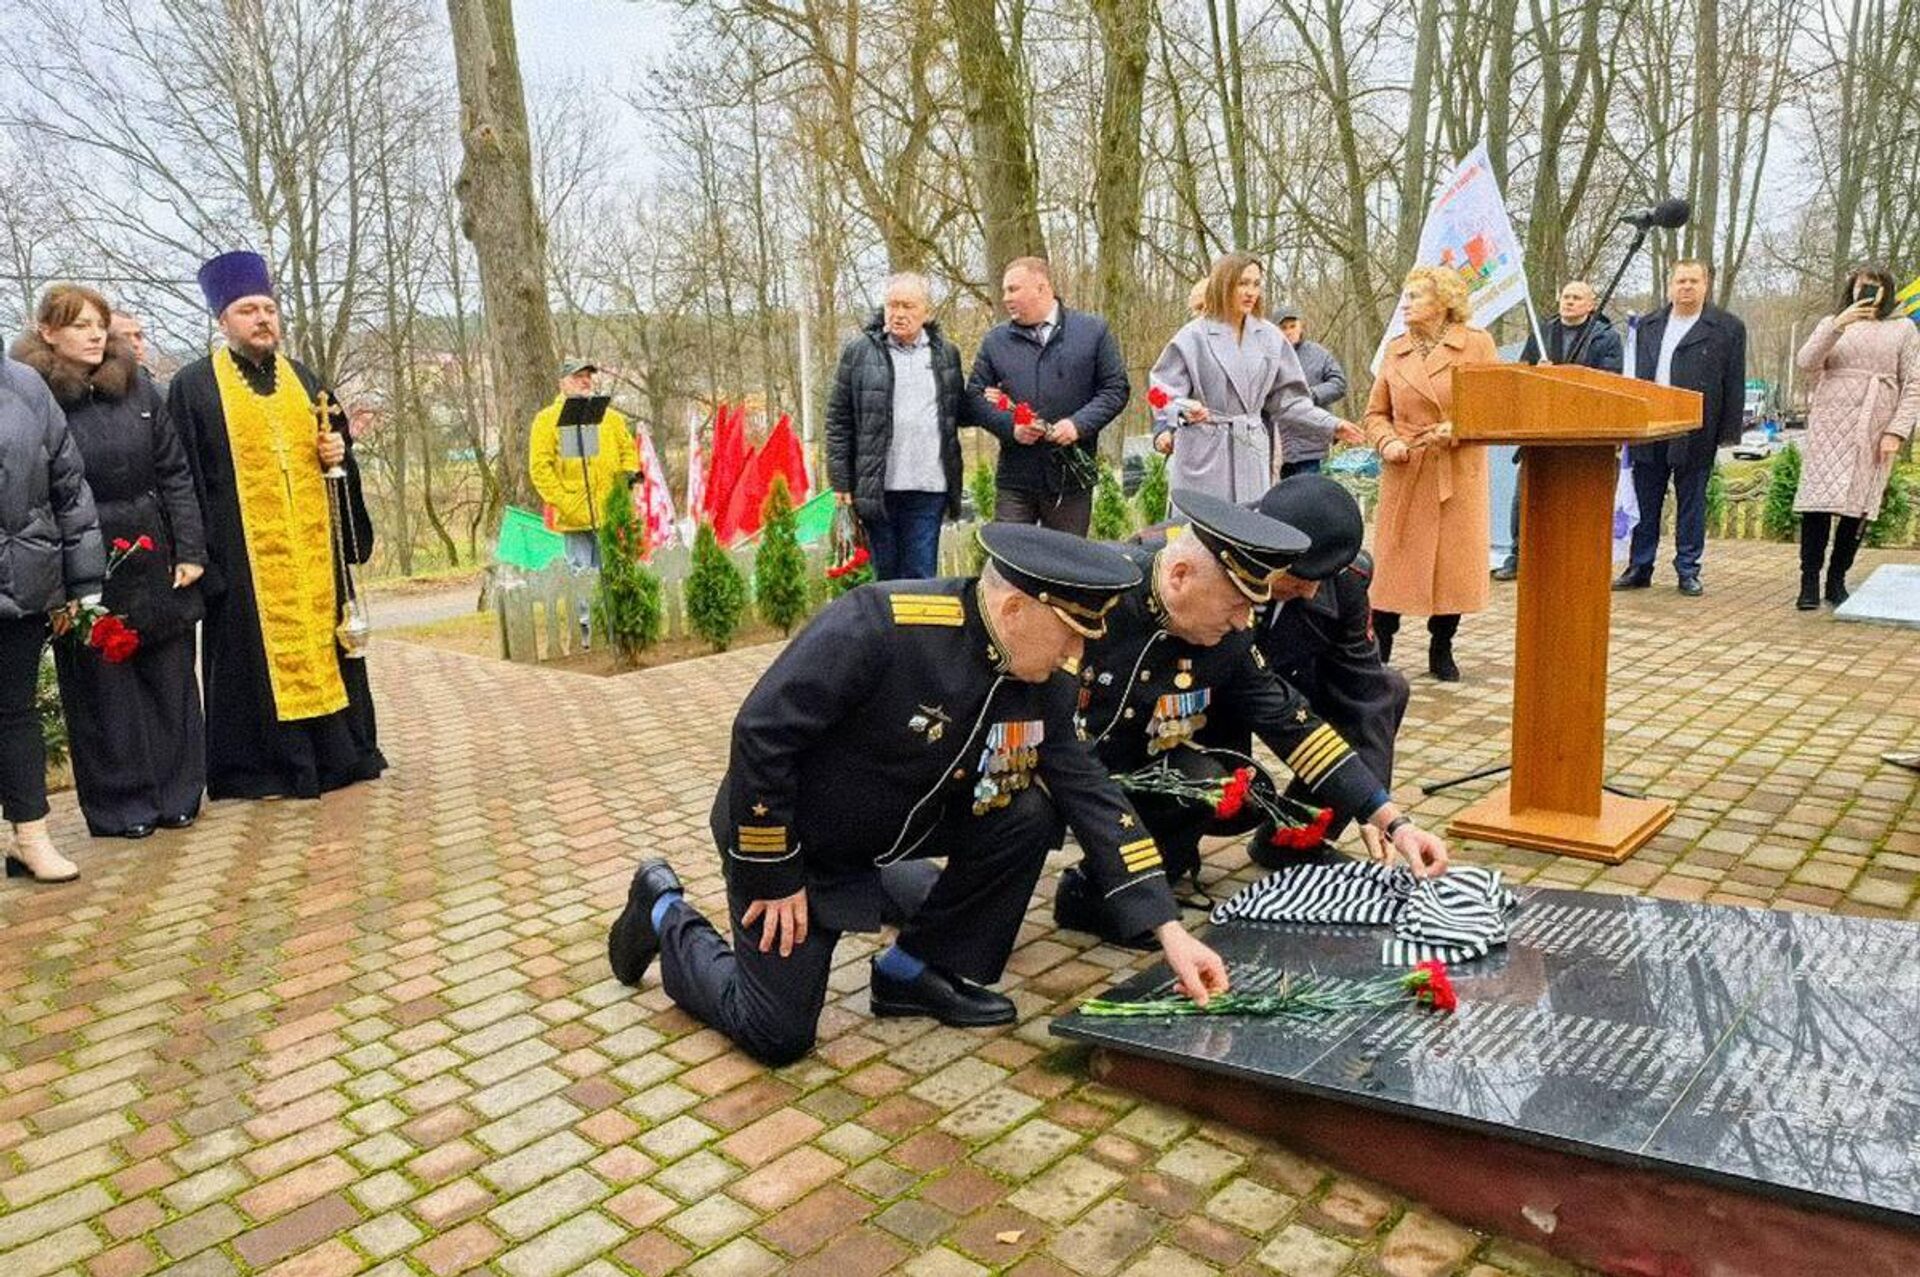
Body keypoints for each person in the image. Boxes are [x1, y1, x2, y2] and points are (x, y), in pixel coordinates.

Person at [606, 524, 1230, 1066]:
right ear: (1015, 610)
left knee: (1030, 811)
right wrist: (771, 871)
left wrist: (1167, 929)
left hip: (898, 827)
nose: (1079, 652)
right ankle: (662, 911)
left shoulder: (1043, 672)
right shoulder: (879, 625)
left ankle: (911, 971)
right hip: (802, 844)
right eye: (1070, 633)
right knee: (776, 1033)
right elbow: (762, 733)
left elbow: (1087, 788)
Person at [1053, 490, 1450, 948]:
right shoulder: (1105, 590)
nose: (1245, 623)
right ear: (1180, 576)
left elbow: (1295, 724)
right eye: (1237, 607)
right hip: (1059, 757)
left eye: (1250, 607)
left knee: (1204, 783)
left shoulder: (1233, 633)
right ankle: (1095, 888)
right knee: (1030, 812)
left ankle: (1126, 889)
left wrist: (1392, 821)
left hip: (1146, 746)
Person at [167, 250, 386, 800]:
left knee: (325, 646)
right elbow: (182, 477)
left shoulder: (304, 379)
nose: (263, 319)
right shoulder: (195, 387)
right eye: (248, 310)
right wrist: (198, 553)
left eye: (268, 308)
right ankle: (262, 770)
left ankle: (337, 756)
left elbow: (337, 448)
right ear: (223, 321)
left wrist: (337, 452)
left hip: (312, 554)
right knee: (250, 663)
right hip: (242, 557)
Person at [12, 286, 207, 839]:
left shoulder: (138, 385)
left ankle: (179, 793)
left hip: (152, 548)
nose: (96, 334)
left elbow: (175, 472)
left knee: (169, 678)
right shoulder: (32, 396)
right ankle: (123, 804)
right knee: (103, 691)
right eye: (80, 325)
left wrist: (190, 548)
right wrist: (56, 580)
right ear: (48, 332)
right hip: (80, 557)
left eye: (100, 323)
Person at [1248, 474, 1410, 838]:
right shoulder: (1203, 552)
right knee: (1221, 790)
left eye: (1319, 580)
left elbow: (1365, 690)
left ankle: (1292, 838)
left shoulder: (1348, 577)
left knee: (1390, 688)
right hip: (1207, 690)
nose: (1310, 593)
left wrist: (1374, 811)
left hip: (1283, 679)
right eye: (1298, 579)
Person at [1363, 266, 1498, 681]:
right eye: (1405, 296)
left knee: (1451, 568)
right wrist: (1387, 442)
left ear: (1443, 303)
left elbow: (1494, 409)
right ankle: (1381, 646)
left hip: (1455, 472)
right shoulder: (1396, 349)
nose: (1404, 304)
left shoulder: (1476, 344)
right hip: (1406, 470)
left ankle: (1442, 646)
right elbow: (1375, 414)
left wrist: (1457, 429)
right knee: (1394, 568)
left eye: (1415, 296)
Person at [0, 345, 103, 881]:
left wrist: (83, 579)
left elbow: (69, 485)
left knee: (14, 713)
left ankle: (30, 837)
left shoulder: (25, 386)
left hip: (21, 574)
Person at [1147, 256, 1359, 506]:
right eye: (1242, 283)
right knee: (1202, 526)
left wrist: (1331, 424)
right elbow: (1156, 394)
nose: (1251, 292)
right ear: (1223, 284)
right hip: (1203, 451)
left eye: (1256, 284)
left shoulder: (1270, 337)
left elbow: (1290, 401)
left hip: (1251, 450)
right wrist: (1183, 408)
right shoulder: (1192, 336)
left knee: (1249, 523)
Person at [826, 273, 974, 580]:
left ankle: (920, 616)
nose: (899, 313)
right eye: (892, 305)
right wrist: (841, 482)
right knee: (887, 578)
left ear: (926, 311)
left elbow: (959, 411)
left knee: (921, 577)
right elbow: (838, 420)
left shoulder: (946, 354)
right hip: (878, 488)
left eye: (908, 306)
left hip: (929, 487)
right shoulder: (859, 353)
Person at [968, 257, 1129, 535]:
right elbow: (974, 398)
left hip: (1070, 478)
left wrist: (1078, 425)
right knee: (1008, 557)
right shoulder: (995, 341)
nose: (1006, 298)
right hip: (1016, 479)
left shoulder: (1092, 331)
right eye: (1005, 290)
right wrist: (1011, 428)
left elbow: (1115, 389)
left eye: (1013, 289)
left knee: (1066, 559)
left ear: (1041, 288)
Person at [1615, 260, 1746, 597]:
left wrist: (1728, 431)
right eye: (1680, 281)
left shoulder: (1727, 327)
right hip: (1650, 426)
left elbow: (1734, 382)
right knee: (1646, 501)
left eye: (1693, 281)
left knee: (1691, 502)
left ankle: (1688, 568)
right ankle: (1640, 566)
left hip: (1696, 427)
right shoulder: (1648, 325)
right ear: (1670, 285)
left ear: (1706, 285)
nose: (1686, 287)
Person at [1791, 265, 1918, 609]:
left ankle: (1837, 579)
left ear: (1887, 291)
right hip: (1830, 425)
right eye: (1863, 286)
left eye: (1876, 287)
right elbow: (1806, 362)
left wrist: (1896, 431)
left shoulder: (1904, 328)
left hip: (1875, 426)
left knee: (1858, 508)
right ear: (1852, 288)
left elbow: (1913, 384)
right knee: (1816, 505)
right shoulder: (1834, 323)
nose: (1868, 292)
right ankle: (1808, 582)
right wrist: (1837, 325)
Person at [1497, 281, 1624, 580]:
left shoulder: (1605, 338)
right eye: (1566, 296)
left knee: (1579, 501)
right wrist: (1536, 374)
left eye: (1577, 297)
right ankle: (1519, 555)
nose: (1569, 302)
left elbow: (1608, 381)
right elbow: (1521, 376)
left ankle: (1579, 559)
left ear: (1591, 304)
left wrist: (1563, 377)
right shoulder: (1542, 332)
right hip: (1542, 429)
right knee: (1526, 495)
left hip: (1585, 433)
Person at [529, 358, 638, 639]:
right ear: (562, 382)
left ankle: (615, 626)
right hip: (575, 514)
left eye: (588, 375)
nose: (585, 380)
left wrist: (626, 480)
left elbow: (628, 450)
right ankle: (588, 631)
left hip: (609, 511)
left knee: (611, 570)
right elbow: (540, 469)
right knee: (580, 572)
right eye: (578, 376)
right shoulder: (547, 420)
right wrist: (565, 501)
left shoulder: (610, 418)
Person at [1273, 303, 1351, 477]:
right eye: (1283, 328)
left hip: (1313, 445)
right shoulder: (1269, 357)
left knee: (1311, 491)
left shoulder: (1319, 354)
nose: (1289, 331)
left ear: (1301, 326)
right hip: (1279, 447)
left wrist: (1312, 394)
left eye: (1292, 326)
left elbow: (1339, 383)